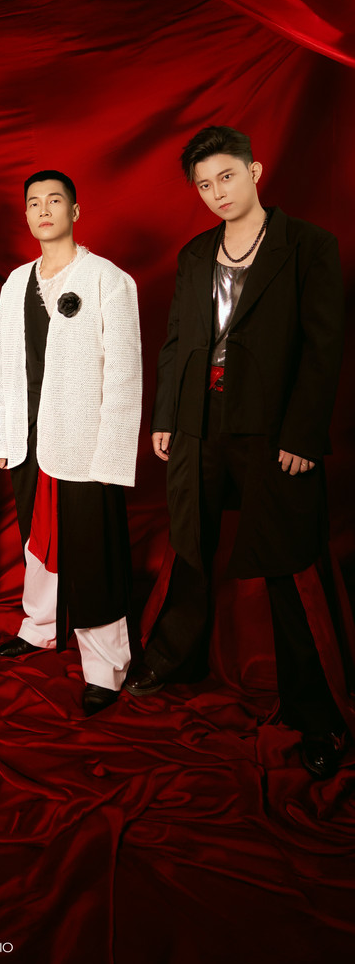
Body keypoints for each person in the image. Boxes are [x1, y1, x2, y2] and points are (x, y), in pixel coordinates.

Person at [126, 125, 353, 778]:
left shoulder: (308, 245)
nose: (217, 192)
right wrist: (168, 415)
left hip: (273, 427)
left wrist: (302, 434)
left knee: (289, 559)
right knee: (190, 542)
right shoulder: (196, 253)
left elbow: (323, 347)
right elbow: (176, 340)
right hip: (200, 421)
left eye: (226, 176)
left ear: (254, 171)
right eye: (204, 185)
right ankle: (173, 659)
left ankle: (319, 714)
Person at [0, 171, 142, 715]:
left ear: (75, 210)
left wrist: (111, 453)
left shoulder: (107, 279)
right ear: (26, 215)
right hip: (28, 434)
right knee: (38, 536)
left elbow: (125, 373)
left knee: (92, 551)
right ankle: (41, 627)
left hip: (85, 439)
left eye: (55, 200)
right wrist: (0, 431)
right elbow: (1, 362)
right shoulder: (16, 282)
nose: (44, 210)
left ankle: (106, 665)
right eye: (34, 203)